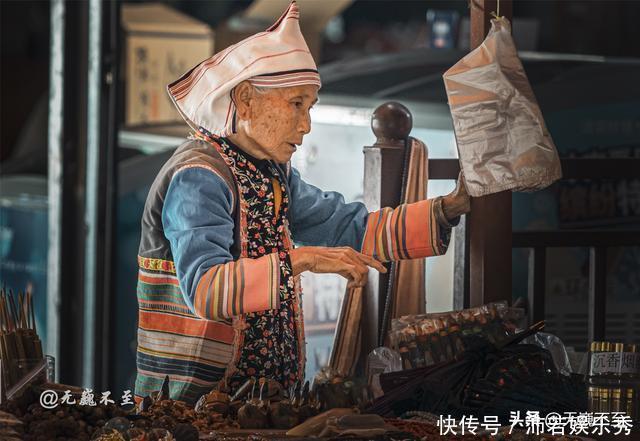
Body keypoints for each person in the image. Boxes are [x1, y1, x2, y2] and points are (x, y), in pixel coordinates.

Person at [134, 1, 470, 405]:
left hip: (260, 400)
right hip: (191, 404)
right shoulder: (199, 176)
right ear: (244, 99)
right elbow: (206, 292)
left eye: (309, 107)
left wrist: (448, 207)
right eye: (296, 104)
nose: (306, 124)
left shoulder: (272, 173)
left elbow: (351, 228)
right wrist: (303, 259)